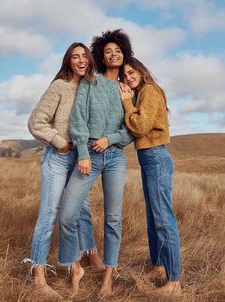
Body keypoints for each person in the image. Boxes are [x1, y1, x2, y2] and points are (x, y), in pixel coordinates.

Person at [22, 42, 104, 299]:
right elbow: (36, 122)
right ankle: (37, 272)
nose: (80, 60)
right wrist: (60, 142)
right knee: (50, 214)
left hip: (82, 159)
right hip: (58, 159)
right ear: (68, 62)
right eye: (74, 57)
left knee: (83, 209)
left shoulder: (94, 88)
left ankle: (90, 256)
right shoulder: (59, 86)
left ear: (90, 60)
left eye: (84, 56)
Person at [58, 29, 134, 297]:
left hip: (115, 157)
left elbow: (130, 130)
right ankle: (75, 267)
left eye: (118, 51)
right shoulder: (91, 83)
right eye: (108, 51)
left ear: (125, 55)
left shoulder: (128, 90)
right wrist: (84, 153)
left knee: (113, 219)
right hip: (89, 155)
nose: (113, 54)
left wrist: (109, 138)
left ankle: (108, 278)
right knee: (67, 215)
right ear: (101, 56)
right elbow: (77, 120)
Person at [119, 57, 182, 297]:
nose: (128, 77)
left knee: (163, 218)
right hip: (149, 158)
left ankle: (174, 282)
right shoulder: (142, 93)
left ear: (141, 70)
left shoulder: (149, 91)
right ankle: (159, 267)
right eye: (124, 75)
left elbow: (140, 126)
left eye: (131, 71)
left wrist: (126, 103)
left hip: (156, 157)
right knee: (153, 216)